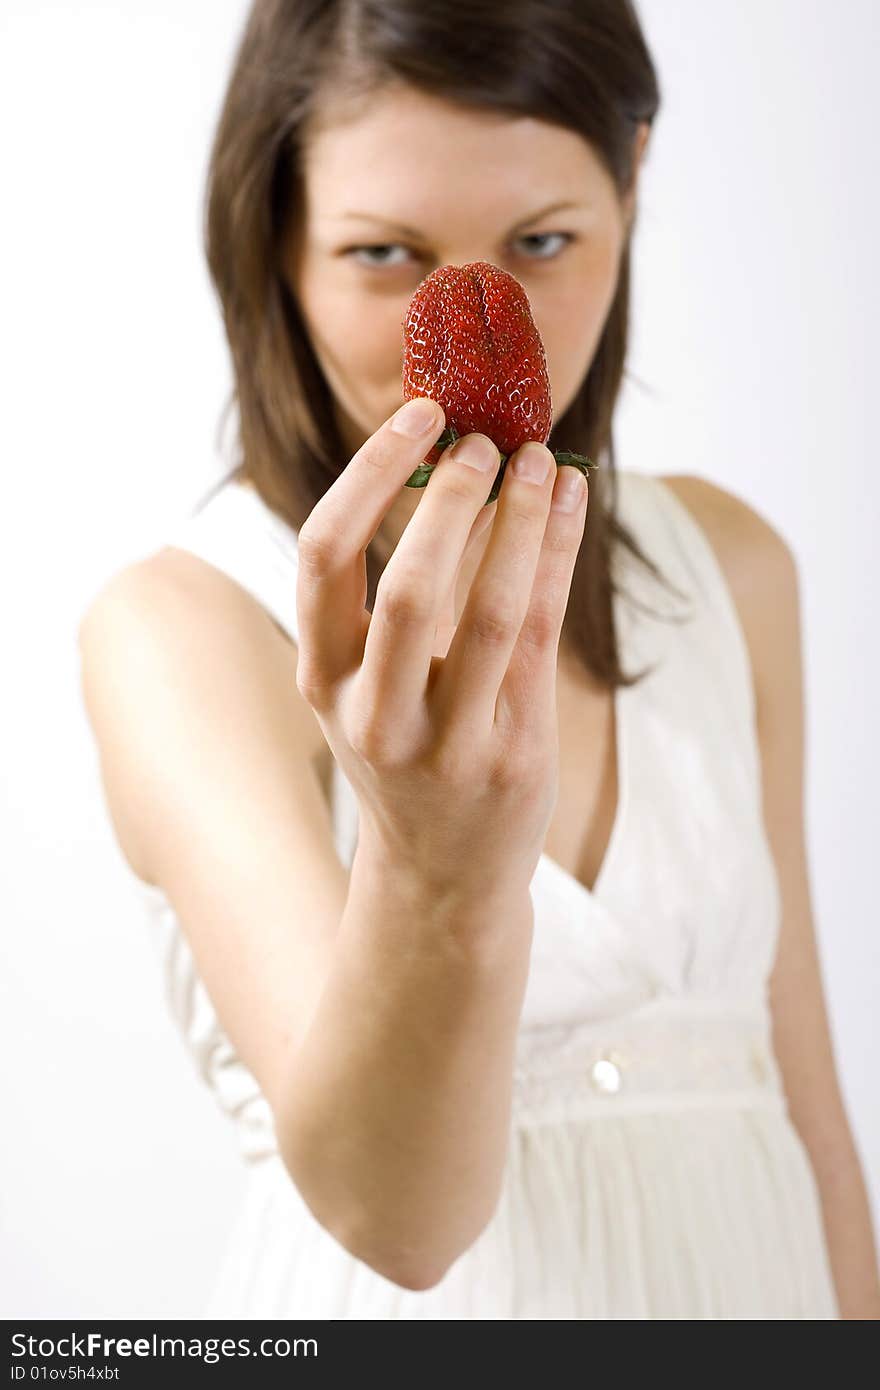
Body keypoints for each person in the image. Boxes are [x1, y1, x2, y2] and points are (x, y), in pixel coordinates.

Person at [77, 0, 880, 1318]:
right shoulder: (190, 630)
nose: (473, 334)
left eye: (544, 241)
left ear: (633, 183)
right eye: (387, 253)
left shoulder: (732, 569)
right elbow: (393, 1219)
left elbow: (811, 1115)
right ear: (273, 239)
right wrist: (435, 862)